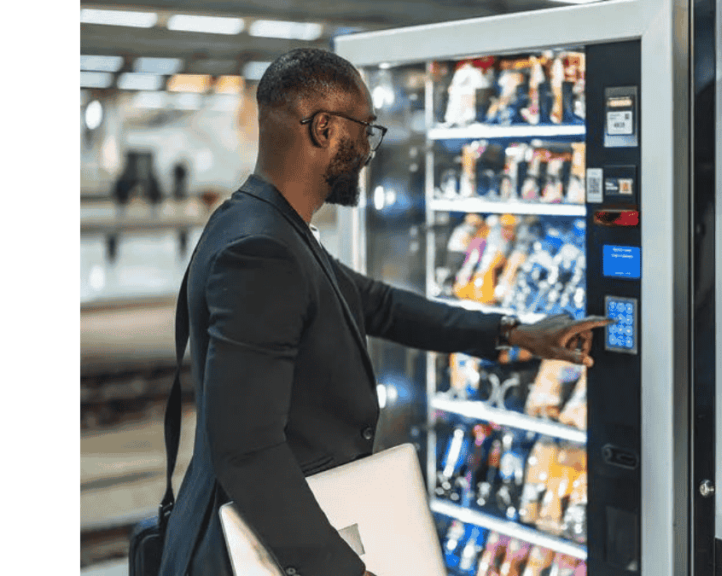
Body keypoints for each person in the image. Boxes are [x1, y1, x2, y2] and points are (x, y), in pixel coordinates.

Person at [158, 47, 610, 576]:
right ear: (323, 128)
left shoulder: (264, 225)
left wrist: (514, 332)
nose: (369, 150)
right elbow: (248, 450)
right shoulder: (263, 251)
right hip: (245, 555)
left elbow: (382, 306)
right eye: (364, 130)